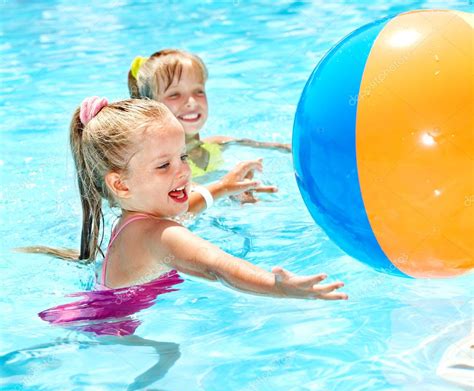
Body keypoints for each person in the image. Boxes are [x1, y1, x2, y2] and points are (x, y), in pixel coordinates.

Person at [21, 96, 347, 301]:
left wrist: (221, 187)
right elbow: (219, 267)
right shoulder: (163, 235)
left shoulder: (136, 219)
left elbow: (179, 212)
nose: (182, 173)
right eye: (164, 165)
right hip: (121, 339)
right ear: (120, 185)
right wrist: (276, 286)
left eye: (183, 157)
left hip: (101, 312)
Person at [128, 49, 291, 202]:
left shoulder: (218, 144)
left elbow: (283, 148)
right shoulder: (161, 165)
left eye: (198, 91)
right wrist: (228, 190)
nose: (191, 102)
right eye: (175, 94)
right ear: (150, 106)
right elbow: (185, 200)